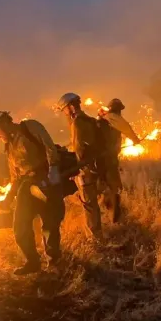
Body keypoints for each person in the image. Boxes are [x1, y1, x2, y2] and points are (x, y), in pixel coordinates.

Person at [0, 110, 66, 276]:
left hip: (45, 180)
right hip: (27, 186)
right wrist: (7, 199)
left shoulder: (30, 127)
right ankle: (32, 261)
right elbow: (15, 177)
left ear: (4, 123)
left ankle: (54, 260)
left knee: (50, 222)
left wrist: (54, 169)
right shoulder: (9, 147)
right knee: (20, 225)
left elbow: (49, 146)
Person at [55, 92, 105, 241]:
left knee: (88, 203)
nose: (64, 113)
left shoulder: (77, 122)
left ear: (70, 107)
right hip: (94, 165)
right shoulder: (88, 120)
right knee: (91, 202)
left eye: (64, 109)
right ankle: (97, 234)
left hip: (85, 168)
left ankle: (95, 238)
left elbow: (79, 148)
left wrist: (76, 168)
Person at [96, 98, 139, 223]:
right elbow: (126, 128)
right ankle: (115, 218)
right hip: (108, 159)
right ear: (118, 109)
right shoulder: (113, 117)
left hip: (98, 160)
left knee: (103, 186)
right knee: (116, 188)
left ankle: (106, 210)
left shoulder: (103, 119)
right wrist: (135, 140)